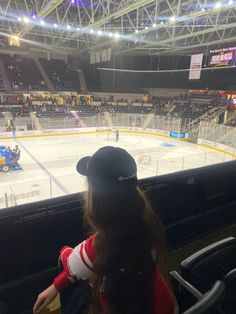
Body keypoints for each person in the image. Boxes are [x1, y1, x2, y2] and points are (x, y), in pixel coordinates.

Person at [33, 146, 174, 314]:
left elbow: (68, 260)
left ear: (95, 198)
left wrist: (57, 283)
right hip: (162, 304)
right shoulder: (150, 226)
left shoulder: (95, 248)